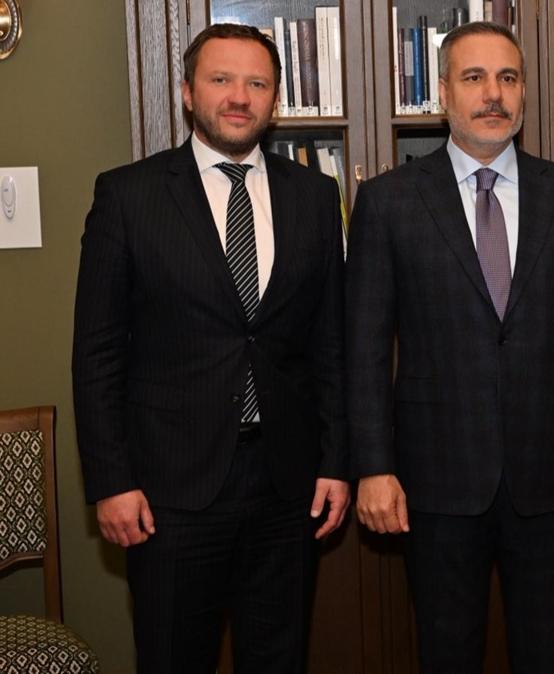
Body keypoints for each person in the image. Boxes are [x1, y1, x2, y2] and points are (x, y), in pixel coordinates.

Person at [345, 21, 554, 674]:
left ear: (524, 91)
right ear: (443, 92)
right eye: (474, 78)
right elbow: (363, 348)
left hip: (550, 477)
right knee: (445, 653)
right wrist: (373, 467)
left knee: (548, 653)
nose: (493, 94)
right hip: (433, 480)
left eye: (507, 78)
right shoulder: (389, 203)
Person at [72, 23, 349, 674]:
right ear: (188, 92)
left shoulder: (314, 196)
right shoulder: (129, 195)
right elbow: (97, 353)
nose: (239, 97)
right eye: (221, 79)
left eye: (257, 83)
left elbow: (330, 343)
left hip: (287, 485)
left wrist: (338, 462)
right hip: (169, 491)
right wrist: (112, 482)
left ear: (274, 99)